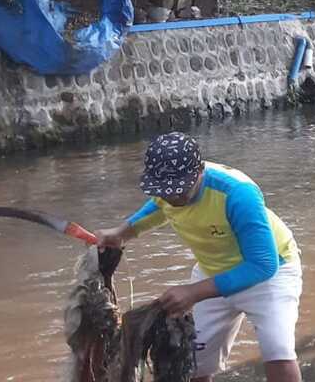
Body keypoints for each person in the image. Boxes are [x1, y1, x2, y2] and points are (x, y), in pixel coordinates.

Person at [95, 133, 302, 382]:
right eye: (164, 191)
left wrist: (193, 292)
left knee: (278, 351)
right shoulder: (166, 190)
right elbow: (159, 206)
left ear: (200, 172)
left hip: (271, 274)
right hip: (212, 270)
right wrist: (122, 233)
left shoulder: (238, 194)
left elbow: (263, 265)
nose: (173, 198)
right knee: (194, 361)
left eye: (179, 191)